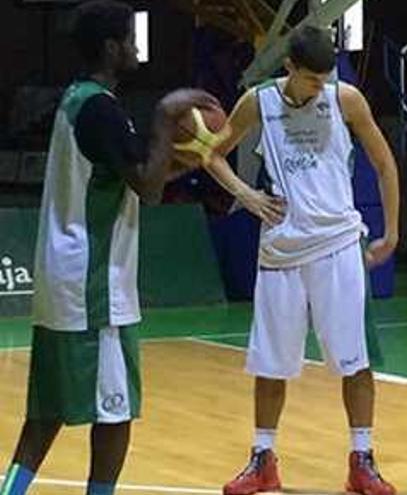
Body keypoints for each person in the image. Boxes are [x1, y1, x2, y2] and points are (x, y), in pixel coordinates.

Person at [0, 2, 215, 494]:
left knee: (47, 412)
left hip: (65, 279)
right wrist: (165, 116)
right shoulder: (100, 109)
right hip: (93, 285)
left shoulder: (80, 100)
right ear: (112, 47)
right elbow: (149, 186)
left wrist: (196, 155)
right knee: (115, 411)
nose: (138, 47)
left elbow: (136, 174)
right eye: (130, 38)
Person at [202, 24, 399, 495]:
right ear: (289, 68)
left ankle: (362, 460)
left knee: (356, 360)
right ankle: (262, 459)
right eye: (312, 80)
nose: (319, 89)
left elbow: (385, 163)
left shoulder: (345, 98)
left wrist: (391, 232)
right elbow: (213, 155)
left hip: (337, 244)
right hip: (282, 249)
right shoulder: (258, 102)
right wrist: (247, 195)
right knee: (271, 363)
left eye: (325, 79)